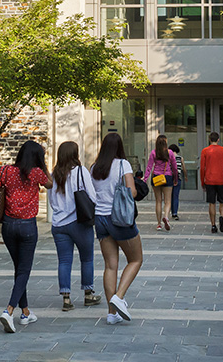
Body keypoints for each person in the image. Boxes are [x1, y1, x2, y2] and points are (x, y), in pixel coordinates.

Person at [0, 140, 53, 333]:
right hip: (28, 225)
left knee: (19, 269)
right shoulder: (36, 173)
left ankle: (25, 312)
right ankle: (9, 310)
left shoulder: (5, 171)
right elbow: (51, 184)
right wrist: (43, 166)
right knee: (24, 270)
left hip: (8, 225)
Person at [90, 132, 142, 325]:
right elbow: (132, 192)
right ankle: (119, 297)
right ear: (120, 146)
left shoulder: (94, 168)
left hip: (100, 219)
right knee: (136, 259)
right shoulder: (123, 164)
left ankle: (112, 314)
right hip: (119, 219)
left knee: (110, 266)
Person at [48, 140, 101, 311]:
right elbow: (92, 196)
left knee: (64, 261)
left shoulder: (53, 175)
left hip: (58, 224)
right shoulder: (80, 171)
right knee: (86, 258)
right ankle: (88, 294)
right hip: (79, 223)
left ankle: (66, 298)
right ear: (75, 154)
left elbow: (51, 201)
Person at [199, 131, 223, 234]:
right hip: (222, 180)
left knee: (212, 203)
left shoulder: (205, 151)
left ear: (209, 140)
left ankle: (213, 225)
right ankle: (221, 216)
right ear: (218, 139)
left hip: (210, 180)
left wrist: (203, 182)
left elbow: (202, 168)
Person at [144, 135, 178, 231]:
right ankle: (166, 217)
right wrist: (175, 178)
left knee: (158, 201)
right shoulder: (170, 152)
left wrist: (145, 179)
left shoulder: (154, 153)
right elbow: (174, 167)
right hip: (167, 177)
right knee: (167, 201)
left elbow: (149, 167)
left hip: (156, 178)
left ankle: (159, 224)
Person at [169, 143, 185, 220]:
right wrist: (185, 176)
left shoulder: (168, 158)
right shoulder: (180, 158)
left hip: (169, 178)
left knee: (169, 196)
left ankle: (169, 211)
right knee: (175, 196)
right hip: (178, 178)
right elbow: (183, 168)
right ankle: (175, 213)